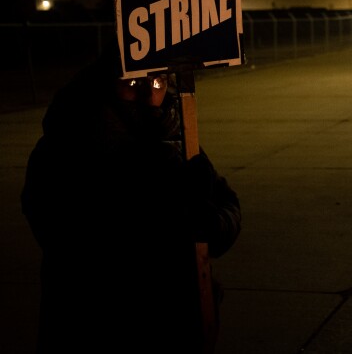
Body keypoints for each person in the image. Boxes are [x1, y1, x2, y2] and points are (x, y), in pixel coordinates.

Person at [21, 48, 242, 353]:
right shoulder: (66, 144)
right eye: (133, 83)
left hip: (177, 320)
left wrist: (212, 224)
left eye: (159, 81)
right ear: (105, 86)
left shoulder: (175, 134)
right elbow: (65, 237)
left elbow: (225, 202)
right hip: (99, 325)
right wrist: (162, 199)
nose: (150, 95)